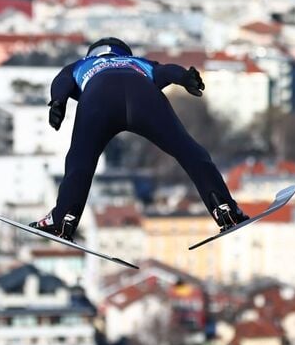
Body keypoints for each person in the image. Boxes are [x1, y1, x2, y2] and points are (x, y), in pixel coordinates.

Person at [29, 37, 248, 241]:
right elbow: (166, 71)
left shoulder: (81, 65)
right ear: (124, 53)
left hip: (99, 99)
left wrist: (58, 102)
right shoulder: (138, 62)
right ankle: (224, 209)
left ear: (92, 53)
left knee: (80, 162)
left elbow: (62, 81)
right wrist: (185, 78)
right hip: (143, 97)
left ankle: (63, 219)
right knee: (190, 152)